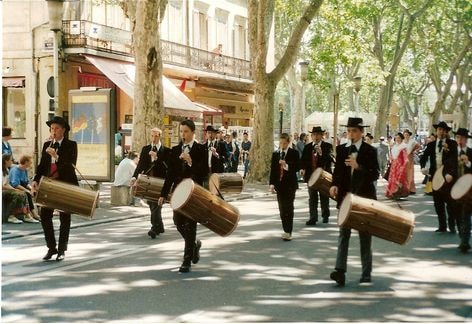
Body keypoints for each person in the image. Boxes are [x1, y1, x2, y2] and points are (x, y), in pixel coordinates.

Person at [329, 117, 379, 286]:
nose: (351, 134)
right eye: (349, 131)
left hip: (364, 199)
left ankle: (366, 273)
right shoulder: (341, 149)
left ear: (361, 132)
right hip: (345, 198)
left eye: (355, 131)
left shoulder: (370, 150)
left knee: (364, 236)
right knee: (344, 234)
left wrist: (358, 167)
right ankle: (340, 271)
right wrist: (334, 184)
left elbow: (375, 175)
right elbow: (337, 173)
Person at [158, 119, 208, 273]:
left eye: (186, 131)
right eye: (181, 131)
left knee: (190, 225)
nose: (183, 134)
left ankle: (186, 261)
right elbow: (170, 175)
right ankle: (194, 245)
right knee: (177, 221)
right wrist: (163, 194)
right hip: (178, 191)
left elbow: (204, 172)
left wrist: (191, 161)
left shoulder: (201, 149)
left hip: (193, 192)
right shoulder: (175, 150)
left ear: (193, 132)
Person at [31, 116, 78, 261]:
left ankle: (62, 249)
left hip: (65, 184)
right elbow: (42, 166)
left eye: (57, 128)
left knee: (65, 217)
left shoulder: (71, 145)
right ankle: (51, 247)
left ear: (63, 130)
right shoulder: (47, 144)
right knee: (45, 216)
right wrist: (35, 179)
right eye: (52, 128)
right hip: (48, 185)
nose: (54, 131)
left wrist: (56, 157)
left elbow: (70, 166)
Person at [131, 128, 171, 239]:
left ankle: (154, 228)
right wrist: (134, 177)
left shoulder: (166, 151)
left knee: (157, 204)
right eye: (152, 136)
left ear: (160, 136)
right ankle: (159, 226)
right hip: (147, 182)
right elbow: (141, 166)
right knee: (151, 204)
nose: (154, 138)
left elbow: (168, 167)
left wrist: (157, 158)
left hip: (160, 182)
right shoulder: (145, 149)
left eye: (156, 136)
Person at [420, 121, 458, 233]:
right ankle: (442, 225)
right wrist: (423, 167)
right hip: (435, 177)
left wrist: (450, 173)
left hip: (447, 177)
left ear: (446, 132)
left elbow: (454, 160)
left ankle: (452, 224)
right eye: (439, 130)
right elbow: (423, 157)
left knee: (450, 203)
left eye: (443, 130)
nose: (441, 132)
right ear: (436, 131)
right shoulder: (431, 145)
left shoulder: (452, 144)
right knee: (438, 203)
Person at [300, 126, 333, 225]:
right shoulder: (308, 147)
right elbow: (303, 160)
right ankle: (313, 217)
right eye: (314, 135)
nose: (316, 137)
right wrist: (302, 169)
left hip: (323, 176)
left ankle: (325, 214)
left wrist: (321, 153)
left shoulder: (327, 146)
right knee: (312, 197)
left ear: (322, 135)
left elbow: (331, 160)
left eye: (318, 134)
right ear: (311, 136)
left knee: (324, 196)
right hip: (311, 176)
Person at [269, 133, 299, 241]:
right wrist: (272, 184)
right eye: (281, 143)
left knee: (289, 207)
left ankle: (288, 231)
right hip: (279, 185)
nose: (282, 145)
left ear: (288, 142)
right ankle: (285, 229)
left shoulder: (294, 153)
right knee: (282, 209)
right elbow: (273, 170)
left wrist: (286, 165)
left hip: (290, 185)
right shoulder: (275, 154)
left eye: (285, 143)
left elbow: (296, 167)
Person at [453, 128, 472, 253]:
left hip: (468, 189)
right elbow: (447, 166)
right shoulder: (452, 152)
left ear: (466, 140)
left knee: (466, 215)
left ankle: (464, 241)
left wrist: (468, 163)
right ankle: (462, 236)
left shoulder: (471, 152)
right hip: (454, 189)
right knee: (457, 215)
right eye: (458, 138)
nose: (460, 140)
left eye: (463, 138)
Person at [9, 155, 40, 222]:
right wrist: (27, 190)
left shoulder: (25, 170)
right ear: (26, 162)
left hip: (22, 185)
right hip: (14, 187)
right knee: (27, 193)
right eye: (30, 162)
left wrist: (31, 188)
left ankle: (35, 213)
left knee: (34, 192)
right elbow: (15, 184)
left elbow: (26, 182)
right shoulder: (15, 170)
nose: (31, 163)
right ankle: (30, 214)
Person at [2, 153, 29, 223]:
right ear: (6, 161)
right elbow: (2, 186)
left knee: (22, 193)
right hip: (2, 190)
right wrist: (13, 190)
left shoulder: (7, 170)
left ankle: (24, 214)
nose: (12, 161)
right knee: (16, 195)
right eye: (11, 160)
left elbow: (7, 184)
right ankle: (10, 215)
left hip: (5, 189)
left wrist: (15, 189)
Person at [386, 133, 409, 199]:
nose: (397, 139)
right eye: (396, 138)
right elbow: (392, 155)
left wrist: (403, 166)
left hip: (400, 165)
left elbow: (405, 158)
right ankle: (392, 193)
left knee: (399, 178)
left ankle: (397, 193)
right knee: (393, 178)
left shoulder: (403, 147)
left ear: (402, 138)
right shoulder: (395, 146)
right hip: (394, 164)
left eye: (399, 138)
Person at [403, 129, 421, 194]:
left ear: (409, 135)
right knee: (404, 174)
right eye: (405, 135)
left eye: (407, 135)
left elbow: (419, 146)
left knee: (410, 173)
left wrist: (414, 151)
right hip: (403, 159)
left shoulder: (412, 141)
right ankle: (405, 188)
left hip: (410, 158)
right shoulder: (402, 141)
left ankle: (411, 189)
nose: (406, 136)